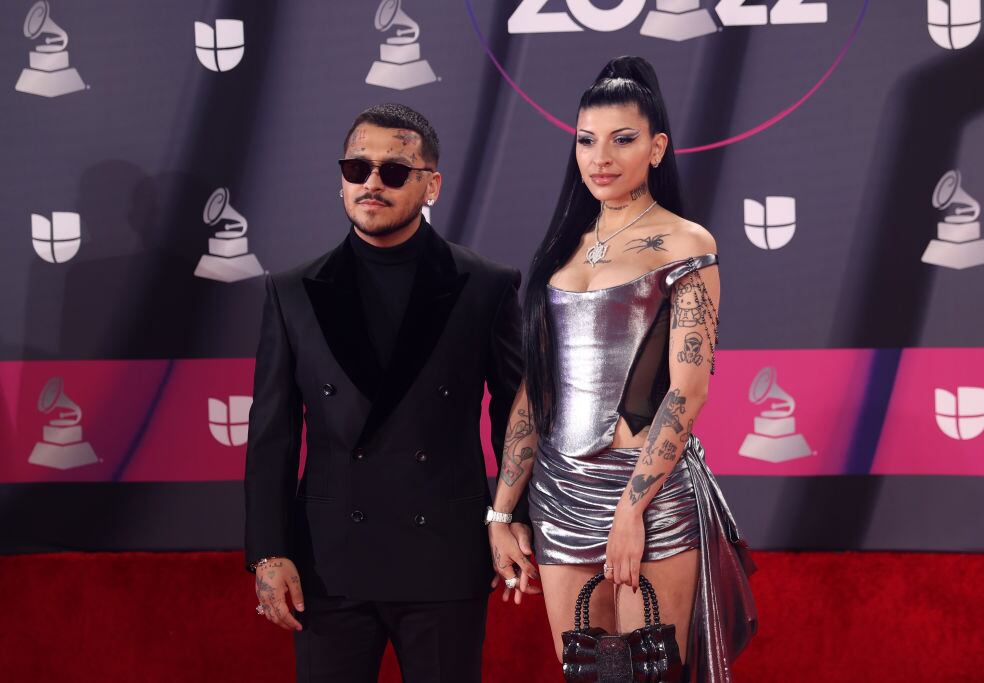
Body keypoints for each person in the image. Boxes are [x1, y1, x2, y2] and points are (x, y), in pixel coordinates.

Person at [486, 57, 757, 681]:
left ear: (657, 148)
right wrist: (503, 513)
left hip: (649, 493)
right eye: (586, 140)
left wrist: (631, 511)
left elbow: (688, 390)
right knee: (585, 670)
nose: (599, 156)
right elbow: (536, 392)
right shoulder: (565, 245)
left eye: (622, 139)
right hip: (557, 492)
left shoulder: (686, 243)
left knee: (651, 671)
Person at [243, 103, 533, 683]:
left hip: (444, 557)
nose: (372, 183)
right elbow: (273, 431)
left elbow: (516, 416)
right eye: (358, 168)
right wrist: (269, 551)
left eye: (394, 171)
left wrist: (513, 517)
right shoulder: (293, 291)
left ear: (432, 185)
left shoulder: (485, 285)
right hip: (329, 563)